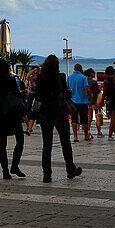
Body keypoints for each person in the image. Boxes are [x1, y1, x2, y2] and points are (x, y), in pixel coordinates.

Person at [33, 54, 81, 183]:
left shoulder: (40, 78)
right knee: (65, 142)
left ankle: (47, 174)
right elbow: (64, 93)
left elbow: (37, 96)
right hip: (59, 113)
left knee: (47, 144)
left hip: (45, 113)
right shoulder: (60, 77)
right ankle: (70, 169)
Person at [0, 59, 25, 179]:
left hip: (0, 113)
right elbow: (17, 95)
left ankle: (5, 170)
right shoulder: (10, 80)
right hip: (12, 113)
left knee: (2, 143)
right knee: (20, 139)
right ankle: (14, 165)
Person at [66, 64, 91, 143]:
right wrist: (90, 95)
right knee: (84, 119)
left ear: (74, 69)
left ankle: (75, 136)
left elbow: (67, 88)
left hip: (73, 100)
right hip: (82, 100)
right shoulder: (83, 78)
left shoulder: (69, 77)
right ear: (81, 69)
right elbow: (86, 88)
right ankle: (86, 135)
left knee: (74, 119)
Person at [84, 68, 102, 138]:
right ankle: (99, 131)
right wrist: (101, 87)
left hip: (88, 101)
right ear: (91, 74)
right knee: (98, 116)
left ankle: (88, 130)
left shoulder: (86, 81)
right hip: (94, 101)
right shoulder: (93, 82)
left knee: (89, 117)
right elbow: (97, 91)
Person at [25, 66, 39, 134]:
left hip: (38, 94)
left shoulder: (40, 78)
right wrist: (32, 71)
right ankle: (29, 126)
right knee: (30, 107)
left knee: (36, 109)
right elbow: (27, 78)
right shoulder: (33, 77)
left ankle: (35, 123)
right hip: (31, 93)